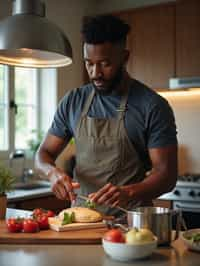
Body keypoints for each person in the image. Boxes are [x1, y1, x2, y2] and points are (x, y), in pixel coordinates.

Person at [35, 15, 178, 216]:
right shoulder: (73, 101)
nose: (95, 73)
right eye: (89, 63)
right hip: (80, 221)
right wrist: (52, 173)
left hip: (130, 225)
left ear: (125, 57)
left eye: (105, 63)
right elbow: (43, 155)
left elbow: (167, 175)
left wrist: (129, 192)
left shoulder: (152, 106)